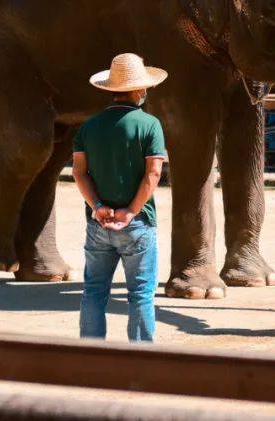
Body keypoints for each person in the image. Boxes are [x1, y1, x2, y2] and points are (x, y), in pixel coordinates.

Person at [74, 53, 168, 343]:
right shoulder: (149, 125)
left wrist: (98, 207)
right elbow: (153, 174)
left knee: (93, 292)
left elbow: (79, 173)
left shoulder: (88, 127)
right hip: (138, 223)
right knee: (140, 295)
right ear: (139, 90)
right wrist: (130, 211)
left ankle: (91, 353)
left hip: (99, 224)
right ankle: (138, 359)